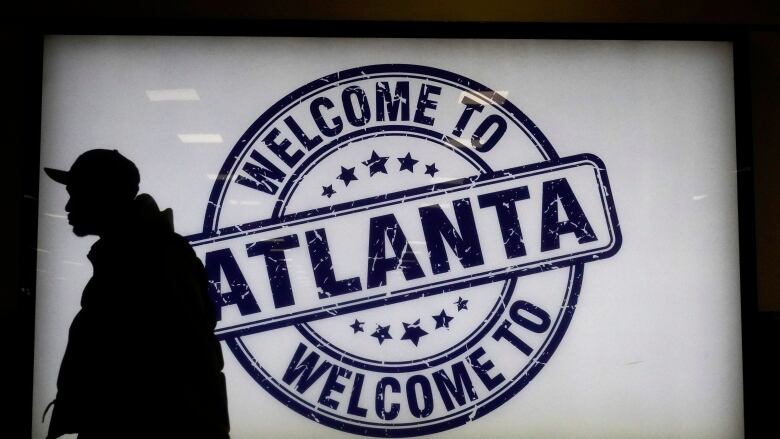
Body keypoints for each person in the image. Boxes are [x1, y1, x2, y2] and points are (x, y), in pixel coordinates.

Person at [43, 149, 230, 439]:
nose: (68, 206)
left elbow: (179, 371)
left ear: (102, 194)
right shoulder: (137, 255)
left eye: (75, 192)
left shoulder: (148, 260)